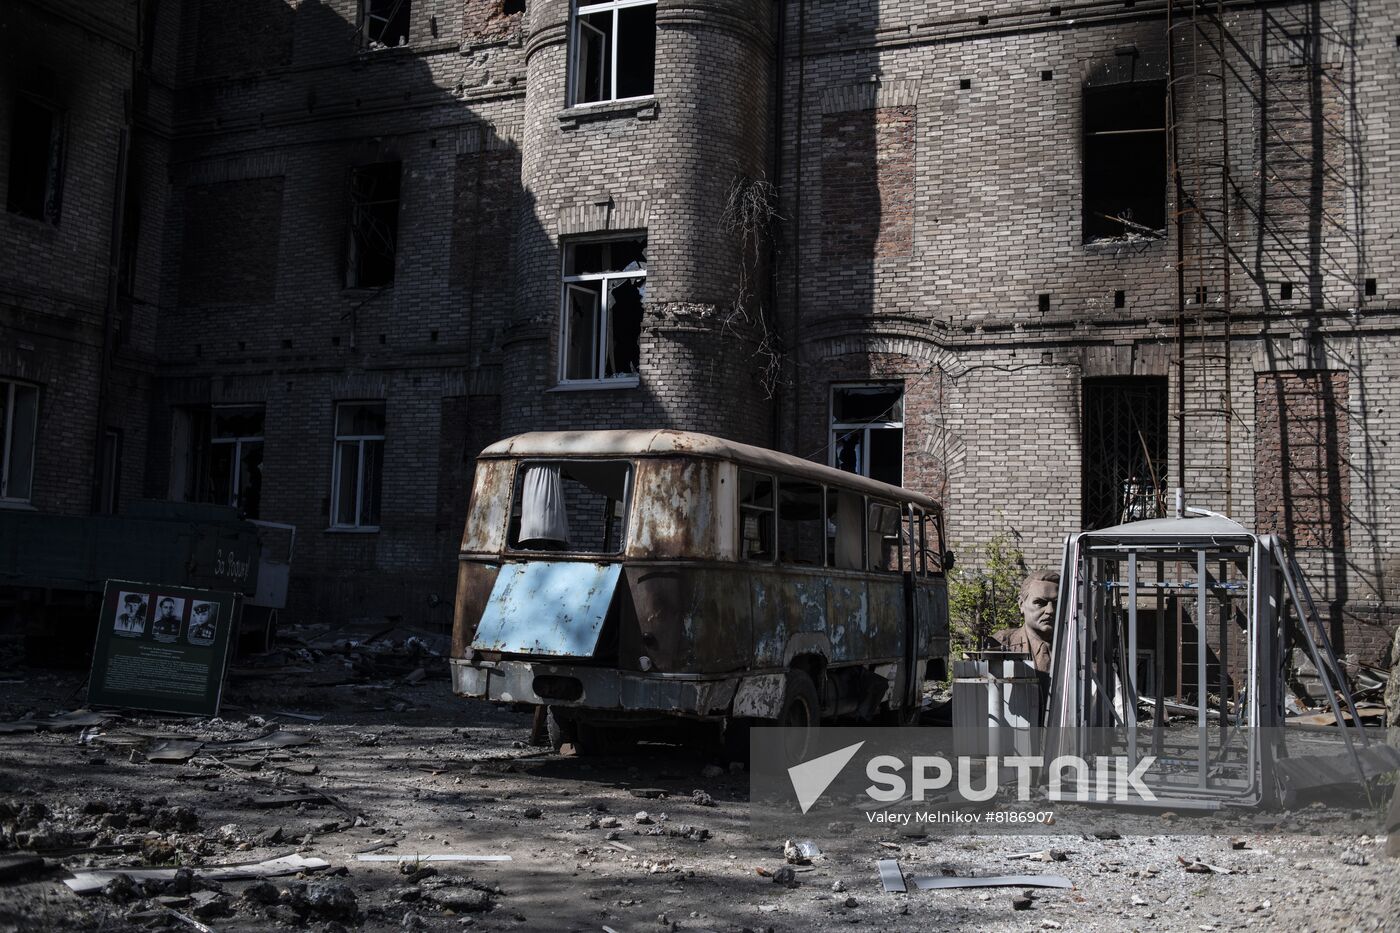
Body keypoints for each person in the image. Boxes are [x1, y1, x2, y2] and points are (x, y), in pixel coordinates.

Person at [993, 570, 1060, 673]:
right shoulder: (1001, 643)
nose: (1050, 610)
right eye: (1040, 603)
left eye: (1056, 604)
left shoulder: (1078, 648)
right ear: (1021, 604)